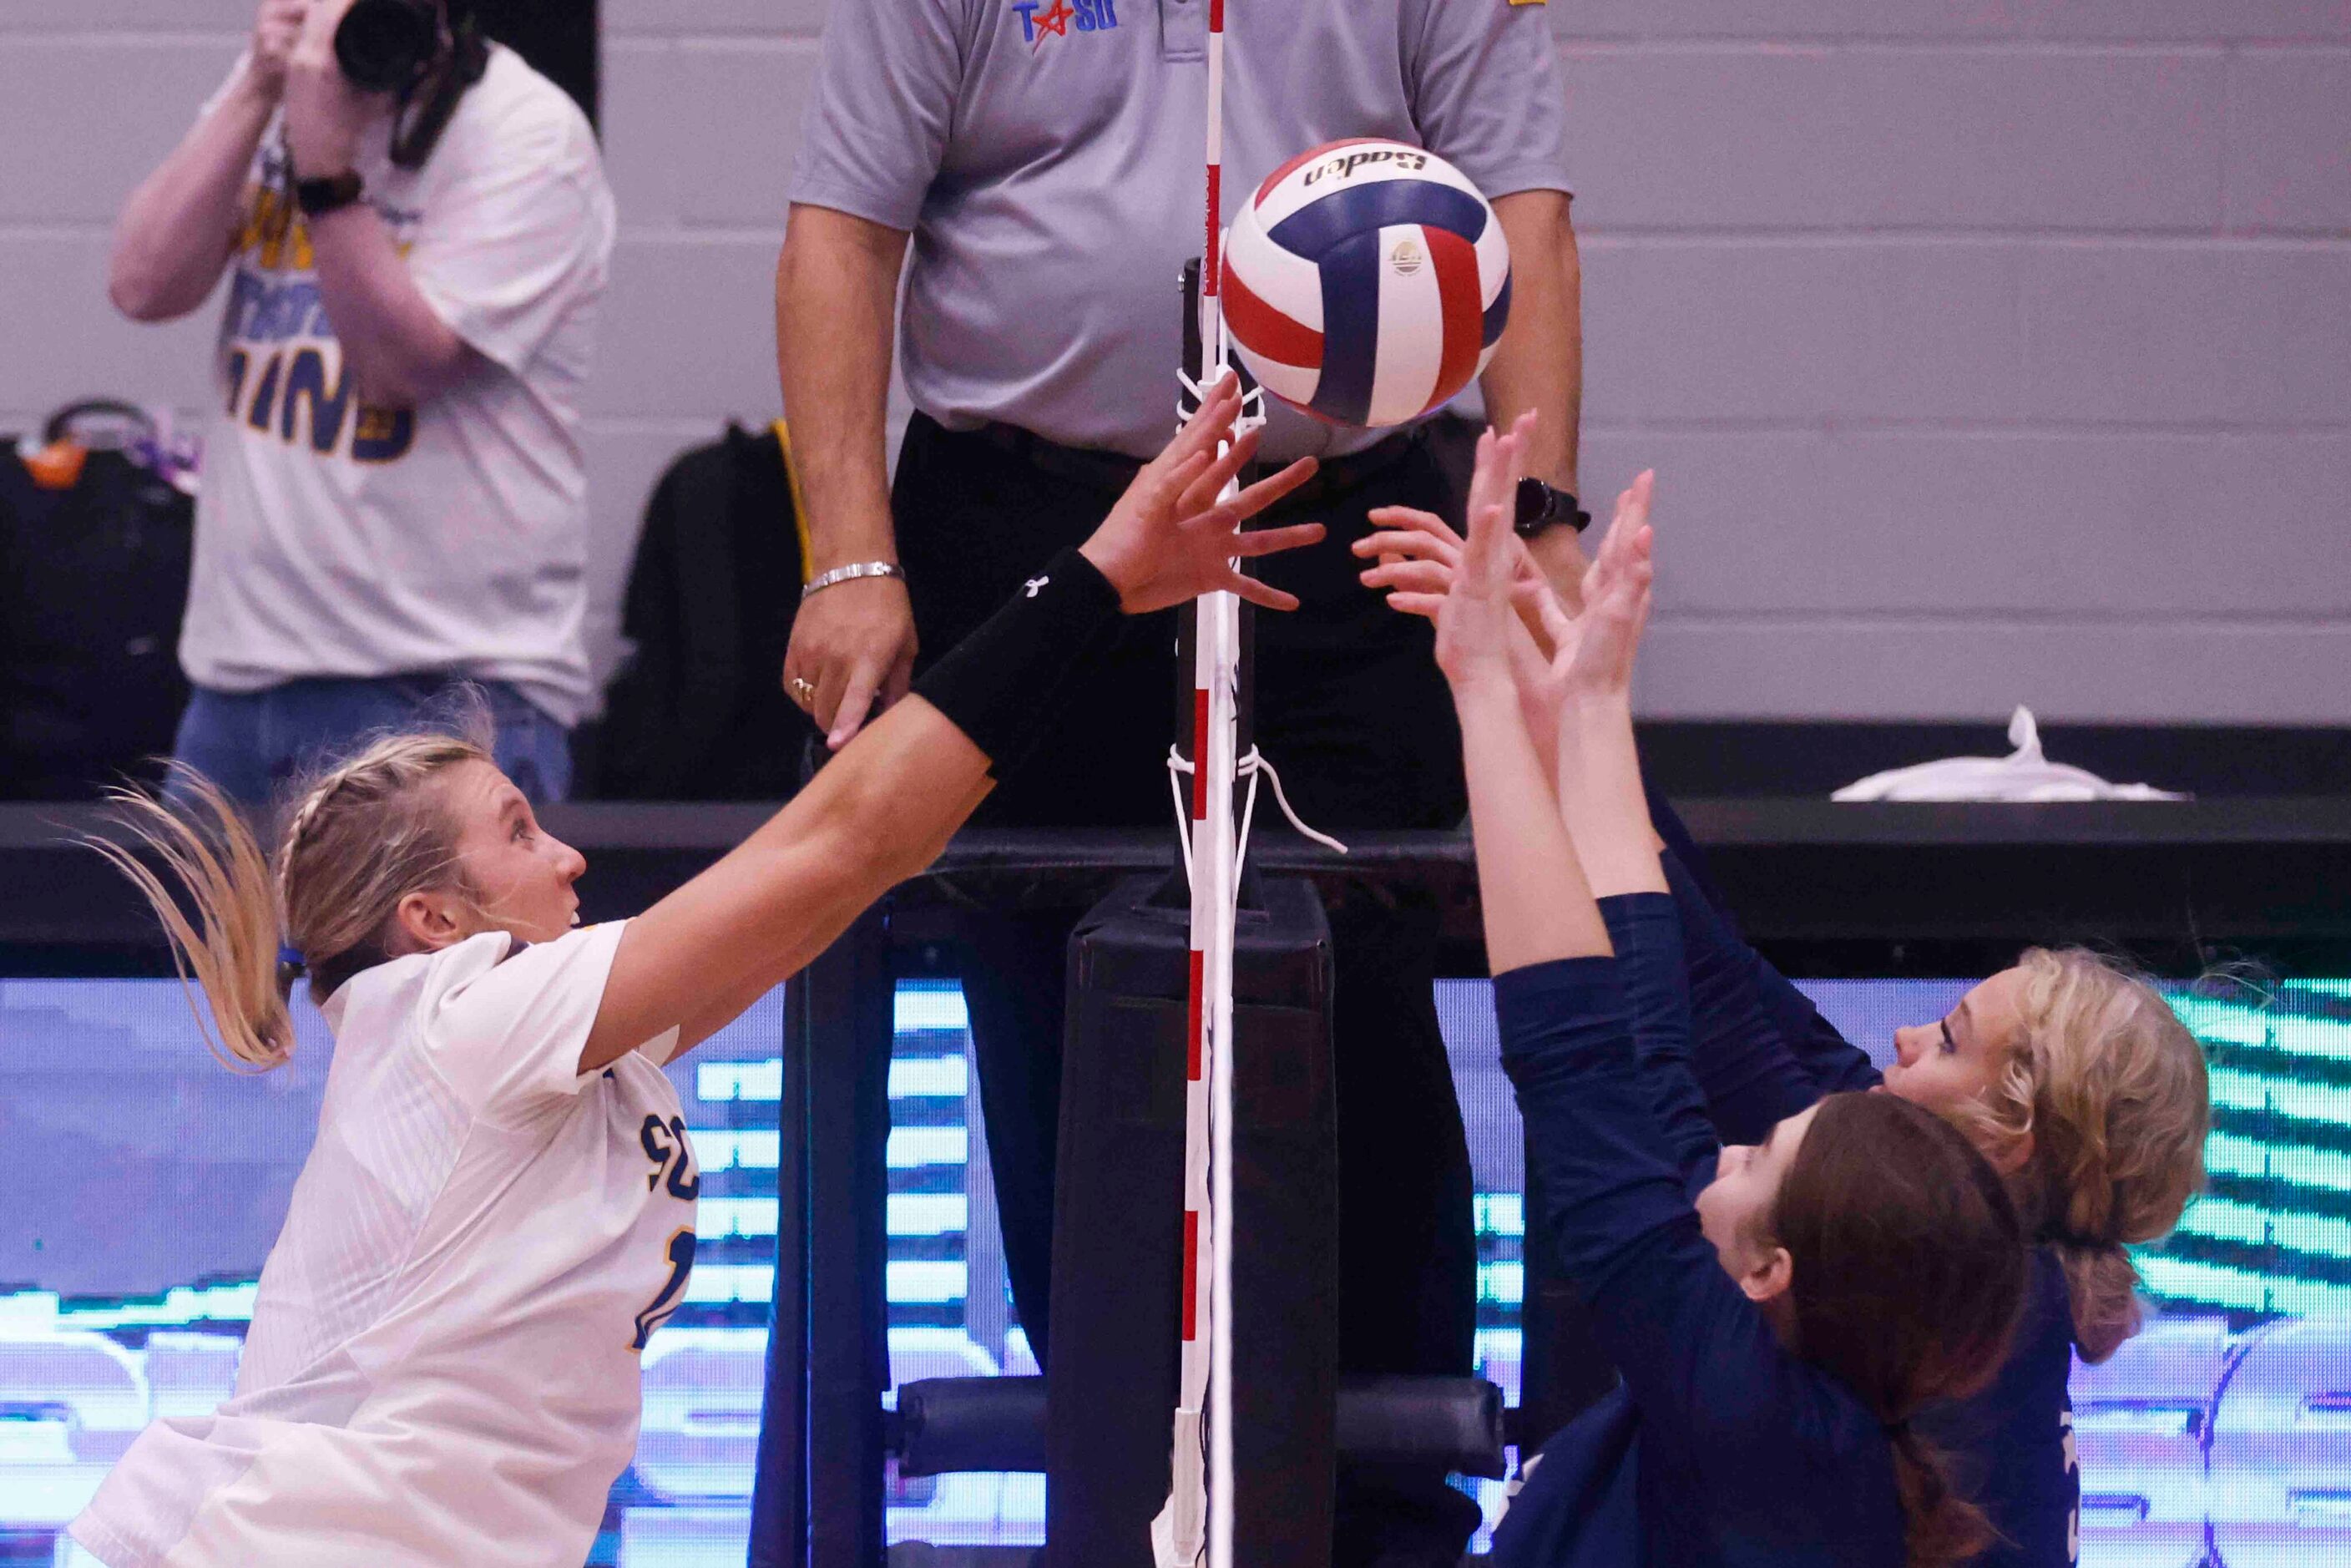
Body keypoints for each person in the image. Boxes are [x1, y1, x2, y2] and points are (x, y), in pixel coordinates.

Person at [65, 387, 1317, 1568]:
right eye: (517, 830)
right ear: (433, 918)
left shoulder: (534, 1044)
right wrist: (1092, 573)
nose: (569, 852)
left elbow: (853, 863)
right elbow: (847, 838)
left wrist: (1097, 610)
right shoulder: (463, 1015)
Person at [780, 6, 1582, 1554]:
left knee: (1363, 975)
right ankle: (1113, 1480)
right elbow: (841, 232)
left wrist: (1537, 517)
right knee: (1044, 988)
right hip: (1032, 523)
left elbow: (1522, 220)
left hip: (1332, 514)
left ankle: (1390, 1505)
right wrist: (851, 556)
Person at [1358, 494, 2213, 1568]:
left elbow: (1610, 1076)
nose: (1900, 1042)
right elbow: (1708, 995)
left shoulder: (1808, 1387)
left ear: (2011, 1139)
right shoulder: (1933, 1259)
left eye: (1947, 1041)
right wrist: (1575, 706)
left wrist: (1500, 696)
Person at [1435, 419, 2030, 1566]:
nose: (1719, 1152)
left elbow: (1581, 1069)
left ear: (1770, 1272)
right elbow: (1650, 1057)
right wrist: (1593, 705)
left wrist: (1483, 698)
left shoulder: (1746, 1422)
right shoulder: (1806, 1402)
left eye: (1753, 1160)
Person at [108, 0, 614, 807]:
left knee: (438, 942)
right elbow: (142, 284)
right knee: (213, 941)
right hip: (240, 682)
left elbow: (395, 368)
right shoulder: (285, 92)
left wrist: (327, 169)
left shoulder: (528, 132)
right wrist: (255, 92)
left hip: (445, 693)